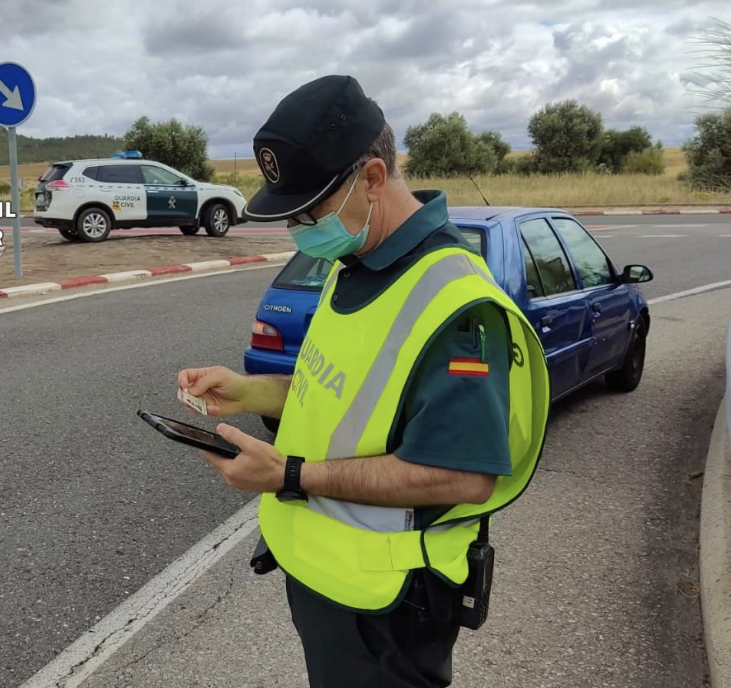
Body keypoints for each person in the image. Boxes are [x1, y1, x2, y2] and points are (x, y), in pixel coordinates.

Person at [177, 75, 550, 688]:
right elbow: (342, 388)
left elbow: (463, 475)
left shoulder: (457, 304)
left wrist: (289, 476)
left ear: (372, 178)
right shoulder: (352, 262)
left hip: (389, 606)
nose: (298, 228)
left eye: (308, 210)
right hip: (326, 581)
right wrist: (249, 390)